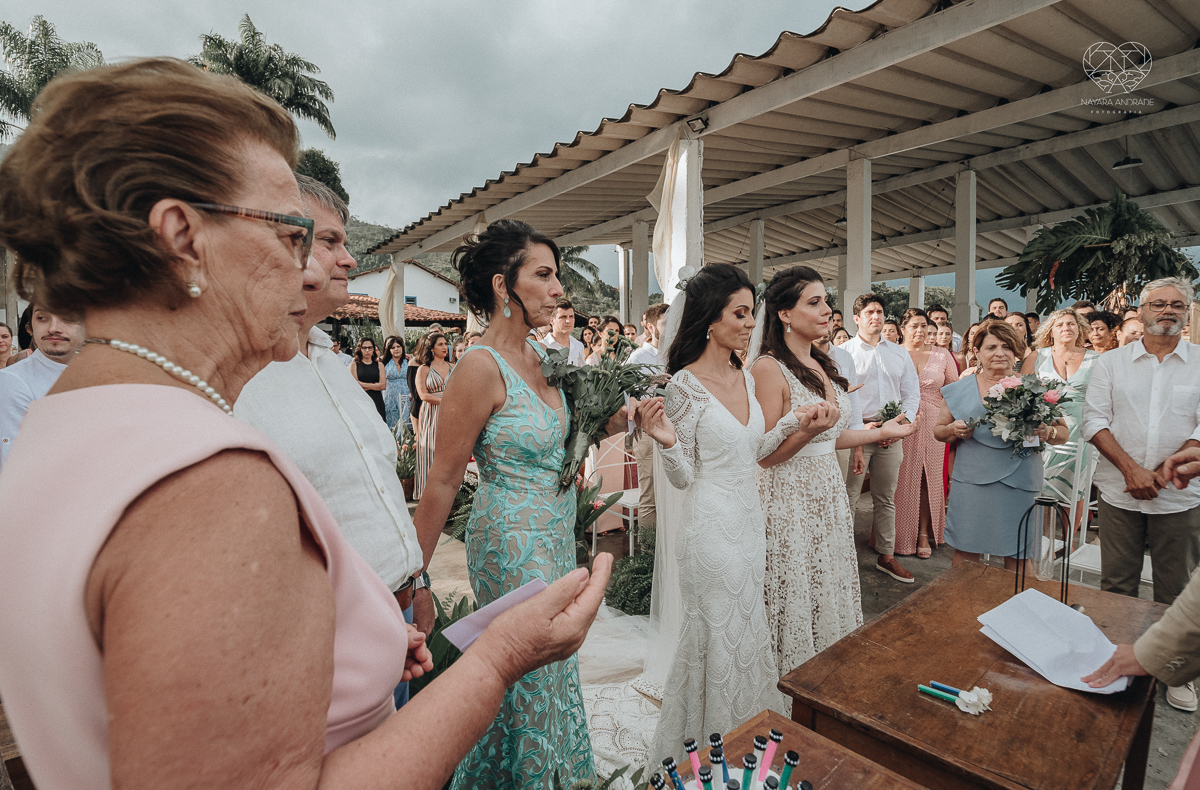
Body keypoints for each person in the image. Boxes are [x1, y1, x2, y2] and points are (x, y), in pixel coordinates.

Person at [0, 56, 612, 790]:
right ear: (182, 235)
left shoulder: (67, 417)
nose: (315, 272)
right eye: (294, 237)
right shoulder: (205, 481)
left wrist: (365, 635)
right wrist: (498, 657)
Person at [412, 219, 620, 789]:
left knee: (551, 667)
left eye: (558, 276)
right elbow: (443, 481)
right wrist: (416, 577)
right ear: (505, 286)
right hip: (511, 542)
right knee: (528, 674)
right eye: (545, 275)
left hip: (555, 536)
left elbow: (584, 422)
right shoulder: (480, 368)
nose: (559, 289)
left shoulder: (542, 359)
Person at [235, 176, 429, 708]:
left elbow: (378, 485)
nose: (346, 259)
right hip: (334, 635)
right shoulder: (242, 377)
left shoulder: (330, 359)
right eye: (330, 241)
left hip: (401, 612)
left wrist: (419, 579)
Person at [634, 262, 786, 766]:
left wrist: (797, 427)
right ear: (710, 320)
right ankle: (713, 754)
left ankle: (747, 741)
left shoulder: (743, 373)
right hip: (710, 529)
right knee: (717, 635)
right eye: (739, 313)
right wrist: (667, 442)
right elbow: (682, 476)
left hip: (749, 525)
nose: (749, 323)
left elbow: (753, 448)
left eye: (751, 313)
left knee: (747, 628)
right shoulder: (684, 385)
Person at [749, 266, 916, 678]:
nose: (827, 310)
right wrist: (808, 431)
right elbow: (764, 455)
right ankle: (783, 676)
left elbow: (830, 437)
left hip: (826, 490)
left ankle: (820, 668)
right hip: (787, 496)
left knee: (826, 582)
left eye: (826, 300)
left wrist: (877, 432)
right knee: (792, 587)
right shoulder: (768, 369)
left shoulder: (823, 362)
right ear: (784, 313)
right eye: (814, 302)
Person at [1082, 277, 1200, 711]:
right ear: (1141, 311)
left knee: (1177, 586)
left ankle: (1175, 671)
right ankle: (1116, 659)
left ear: (1187, 314)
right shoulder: (1111, 363)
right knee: (1116, 583)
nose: (1166, 310)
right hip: (1119, 489)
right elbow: (1093, 421)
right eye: (1157, 304)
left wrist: (1163, 473)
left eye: (1176, 305)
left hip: (1180, 495)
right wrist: (1132, 471)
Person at [935, 322, 1067, 568]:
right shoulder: (958, 389)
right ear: (977, 352)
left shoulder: (1034, 387)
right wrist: (953, 430)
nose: (999, 353)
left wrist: (1048, 431)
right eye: (991, 347)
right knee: (966, 550)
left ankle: (1016, 606)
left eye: (1006, 347)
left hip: (1021, 479)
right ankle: (964, 605)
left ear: (1016, 352)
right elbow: (939, 432)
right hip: (972, 479)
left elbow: (1064, 433)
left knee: (1018, 552)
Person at [844, 293, 921, 583]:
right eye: (869, 312)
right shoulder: (845, 352)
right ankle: (844, 558)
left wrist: (901, 424)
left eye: (879, 311)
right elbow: (843, 395)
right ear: (857, 318)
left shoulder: (899, 352)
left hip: (892, 434)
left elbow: (911, 393)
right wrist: (860, 435)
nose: (876, 316)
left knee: (886, 497)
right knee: (849, 497)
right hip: (857, 432)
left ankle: (887, 557)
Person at [1019, 309, 1099, 513]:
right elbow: (1022, 398)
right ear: (1050, 331)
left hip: (1082, 432)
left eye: (1071, 324)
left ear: (1080, 329)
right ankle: (1041, 541)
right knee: (1040, 488)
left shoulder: (1096, 359)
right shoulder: (1037, 356)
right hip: (1046, 429)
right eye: (1060, 324)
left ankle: (1070, 543)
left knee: (1076, 491)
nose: (1066, 328)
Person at [895, 308, 957, 558]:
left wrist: (950, 422)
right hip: (901, 421)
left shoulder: (941, 354)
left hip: (933, 421)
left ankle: (923, 533)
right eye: (914, 326)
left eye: (923, 326)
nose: (919, 331)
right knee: (898, 478)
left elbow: (954, 389)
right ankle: (894, 535)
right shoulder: (893, 353)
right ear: (903, 329)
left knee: (927, 478)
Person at [0, 306, 85, 466]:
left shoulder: (104, 373)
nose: (54, 328)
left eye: (67, 318)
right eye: (42, 318)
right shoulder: (13, 380)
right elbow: (13, 463)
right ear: (30, 327)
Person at [627, 302, 669, 532]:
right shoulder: (639, 356)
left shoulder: (678, 352)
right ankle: (646, 561)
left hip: (674, 430)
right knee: (650, 496)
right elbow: (624, 394)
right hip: (647, 432)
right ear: (651, 328)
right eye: (665, 323)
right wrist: (650, 383)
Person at [414, 332, 452, 501]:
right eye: (440, 345)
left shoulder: (453, 366)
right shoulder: (424, 369)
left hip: (452, 412)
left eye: (445, 344)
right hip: (431, 413)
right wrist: (444, 402)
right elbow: (423, 395)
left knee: (449, 452)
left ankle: (448, 494)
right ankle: (427, 495)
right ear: (431, 348)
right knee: (430, 451)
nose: (445, 347)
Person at [540, 297, 587, 365]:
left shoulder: (579, 346)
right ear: (552, 321)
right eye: (563, 317)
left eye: (571, 317)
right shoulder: (543, 345)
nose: (568, 321)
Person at [352, 337, 387, 420]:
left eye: (370, 348)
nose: (367, 350)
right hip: (361, 399)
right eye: (364, 348)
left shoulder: (379, 365)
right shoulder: (354, 365)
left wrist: (363, 384)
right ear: (360, 349)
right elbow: (355, 386)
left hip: (377, 399)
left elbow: (383, 385)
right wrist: (375, 385)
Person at [383, 336, 411, 434]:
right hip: (390, 397)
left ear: (402, 347)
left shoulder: (408, 361)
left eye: (398, 346)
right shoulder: (384, 362)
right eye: (393, 347)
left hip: (406, 396)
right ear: (389, 350)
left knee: (406, 423)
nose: (396, 349)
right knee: (392, 424)